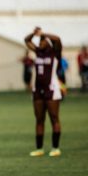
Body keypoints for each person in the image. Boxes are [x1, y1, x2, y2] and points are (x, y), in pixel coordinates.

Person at [24, 27, 63, 157]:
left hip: (51, 89)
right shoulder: (38, 52)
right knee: (39, 119)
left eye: (43, 41)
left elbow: (57, 39)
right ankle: (39, 148)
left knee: (54, 118)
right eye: (39, 41)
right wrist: (34, 34)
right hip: (38, 90)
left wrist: (43, 34)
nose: (40, 43)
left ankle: (55, 147)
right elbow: (27, 40)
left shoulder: (55, 53)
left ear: (48, 42)